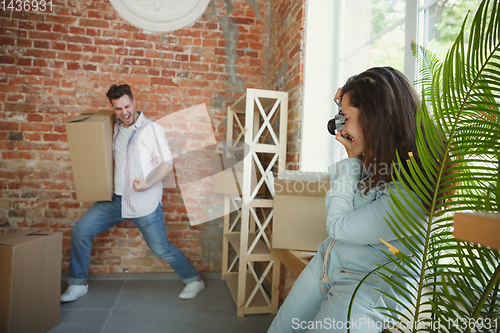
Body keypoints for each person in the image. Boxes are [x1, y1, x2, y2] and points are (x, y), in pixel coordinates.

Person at [268, 67, 427, 332]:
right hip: (327, 263)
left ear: (375, 117)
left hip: (367, 287)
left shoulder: (412, 189)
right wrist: (347, 103)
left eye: (346, 117)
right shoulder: (378, 162)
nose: (339, 126)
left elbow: (338, 225)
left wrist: (352, 159)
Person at [61, 84, 205, 302]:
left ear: (134, 102)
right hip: (115, 201)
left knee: (161, 249)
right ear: (112, 108)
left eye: (127, 106)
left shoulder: (151, 129)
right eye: (118, 108)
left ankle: (194, 280)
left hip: (143, 202)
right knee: (81, 231)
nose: (124, 112)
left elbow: (167, 163)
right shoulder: (115, 128)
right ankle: (77, 284)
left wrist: (147, 184)